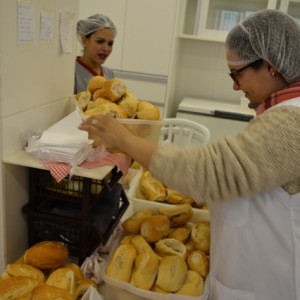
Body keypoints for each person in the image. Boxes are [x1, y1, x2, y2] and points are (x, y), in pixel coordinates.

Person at [79, 9, 300, 300]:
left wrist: (124, 138)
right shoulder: (280, 113)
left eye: (238, 72)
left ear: (270, 65)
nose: (234, 84)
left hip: (265, 283)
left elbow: (213, 172)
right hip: (248, 274)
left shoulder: (292, 123)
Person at [74, 14, 117, 94]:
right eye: (100, 41)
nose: (106, 49)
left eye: (110, 44)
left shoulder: (109, 73)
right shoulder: (72, 72)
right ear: (84, 41)